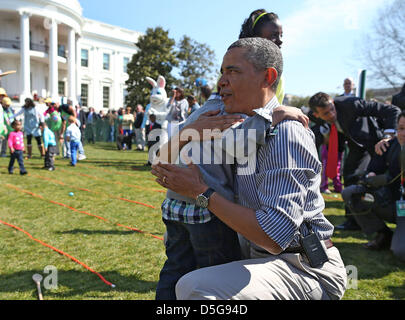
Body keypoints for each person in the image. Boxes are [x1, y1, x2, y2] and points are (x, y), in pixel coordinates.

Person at [152, 37, 347, 300]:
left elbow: (274, 236)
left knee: (196, 287)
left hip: (303, 267)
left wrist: (200, 192)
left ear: (267, 77)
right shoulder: (235, 126)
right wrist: (187, 133)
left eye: (232, 71)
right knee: (182, 284)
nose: (221, 81)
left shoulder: (285, 133)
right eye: (222, 72)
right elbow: (159, 163)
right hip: (261, 259)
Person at [308, 92, 401, 231]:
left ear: (333, 102)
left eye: (332, 109)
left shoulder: (351, 104)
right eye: (326, 114)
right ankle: (354, 220)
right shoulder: (312, 116)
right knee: (349, 176)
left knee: (371, 179)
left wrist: (388, 136)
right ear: (317, 115)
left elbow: (393, 110)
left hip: (376, 142)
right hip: (356, 145)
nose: (332, 115)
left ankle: (382, 220)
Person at [341, 111, 405, 250]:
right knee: (352, 193)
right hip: (391, 203)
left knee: (400, 252)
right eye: (401, 129)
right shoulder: (389, 145)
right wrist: (372, 175)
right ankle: (383, 234)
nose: (403, 134)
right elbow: (375, 167)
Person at [239, 9, 284, 104]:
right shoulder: (234, 65)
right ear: (256, 38)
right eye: (274, 35)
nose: (280, 41)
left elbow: (274, 110)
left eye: (281, 35)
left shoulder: (278, 75)